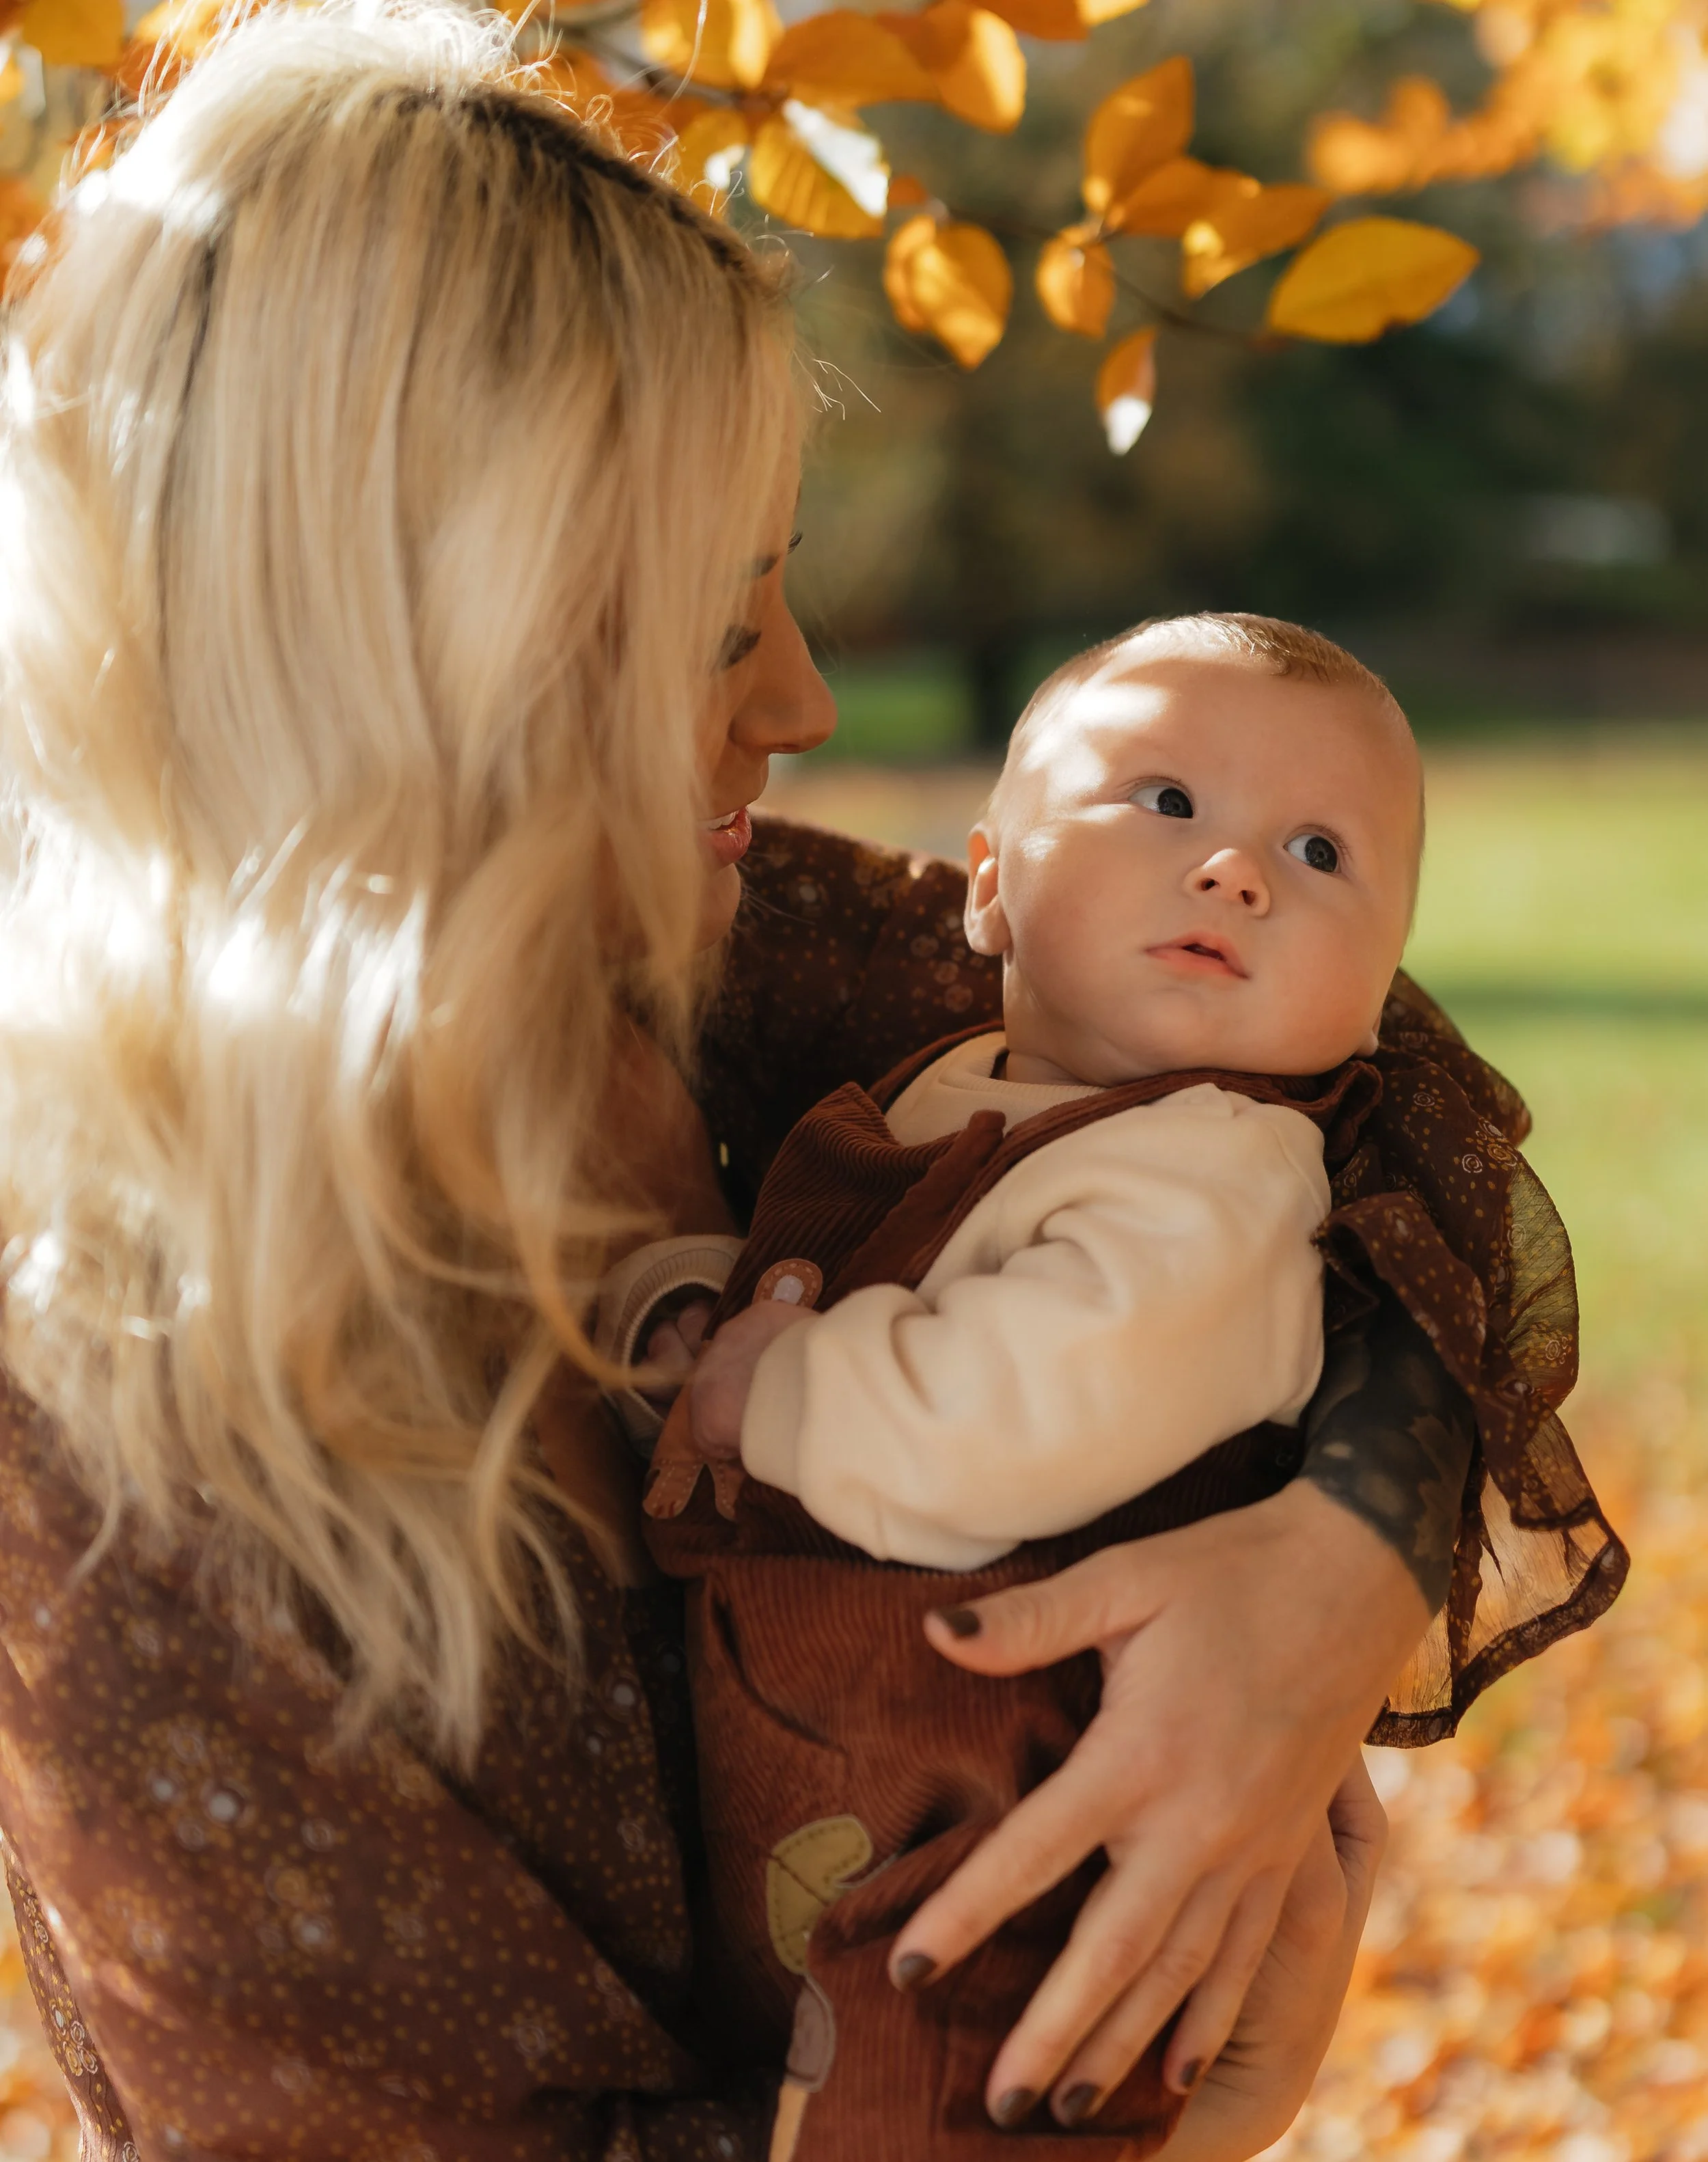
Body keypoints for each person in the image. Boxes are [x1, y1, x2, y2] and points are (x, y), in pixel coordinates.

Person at [0, 8, 1623, 2159]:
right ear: (424, 665)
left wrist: (1323, 1572)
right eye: (714, 624)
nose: (804, 693)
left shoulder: (728, 963)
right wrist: (1182, 2120)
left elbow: (1386, 1112)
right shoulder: (100, 1435)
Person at [632, 616, 1622, 2157]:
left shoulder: (1219, 1177)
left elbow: (1004, 1419)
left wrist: (772, 1389)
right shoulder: (947, 1083)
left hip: (1016, 1829)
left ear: (1377, 1003)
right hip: (848, 1780)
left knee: (947, 2102)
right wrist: (699, 1313)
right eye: (1161, 801)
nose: (1234, 873)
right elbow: (805, 1270)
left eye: (1315, 852)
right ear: (985, 886)